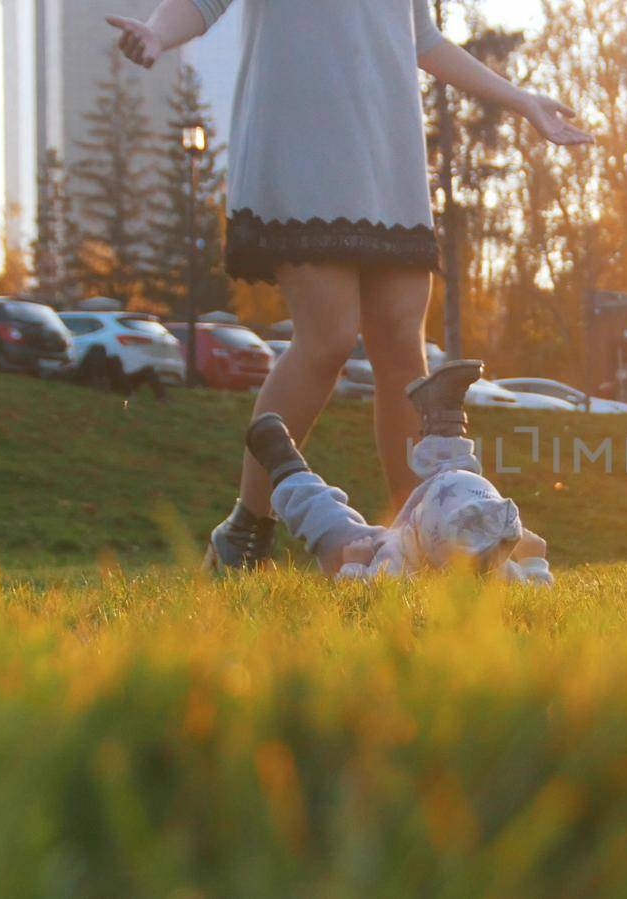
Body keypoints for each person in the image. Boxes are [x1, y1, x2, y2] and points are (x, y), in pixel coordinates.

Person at [107, 0, 592, 570]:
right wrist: (158, 33)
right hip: (302, 152)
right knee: (329, 339)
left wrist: (521, 99)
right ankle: (245, 527)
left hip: (385, 155)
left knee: (401, 348)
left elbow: (424, 41)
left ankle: (416, 535)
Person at [246, 360, 553, 585]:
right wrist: (533, 560)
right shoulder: (493, 564)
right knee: (455, 478)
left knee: (334, 527)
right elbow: (536, 595)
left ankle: (286, 467)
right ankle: (444, 416)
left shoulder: (399, 572)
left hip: (381, 546)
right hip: (428, 526)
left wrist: (354, 565)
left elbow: (358, 598)